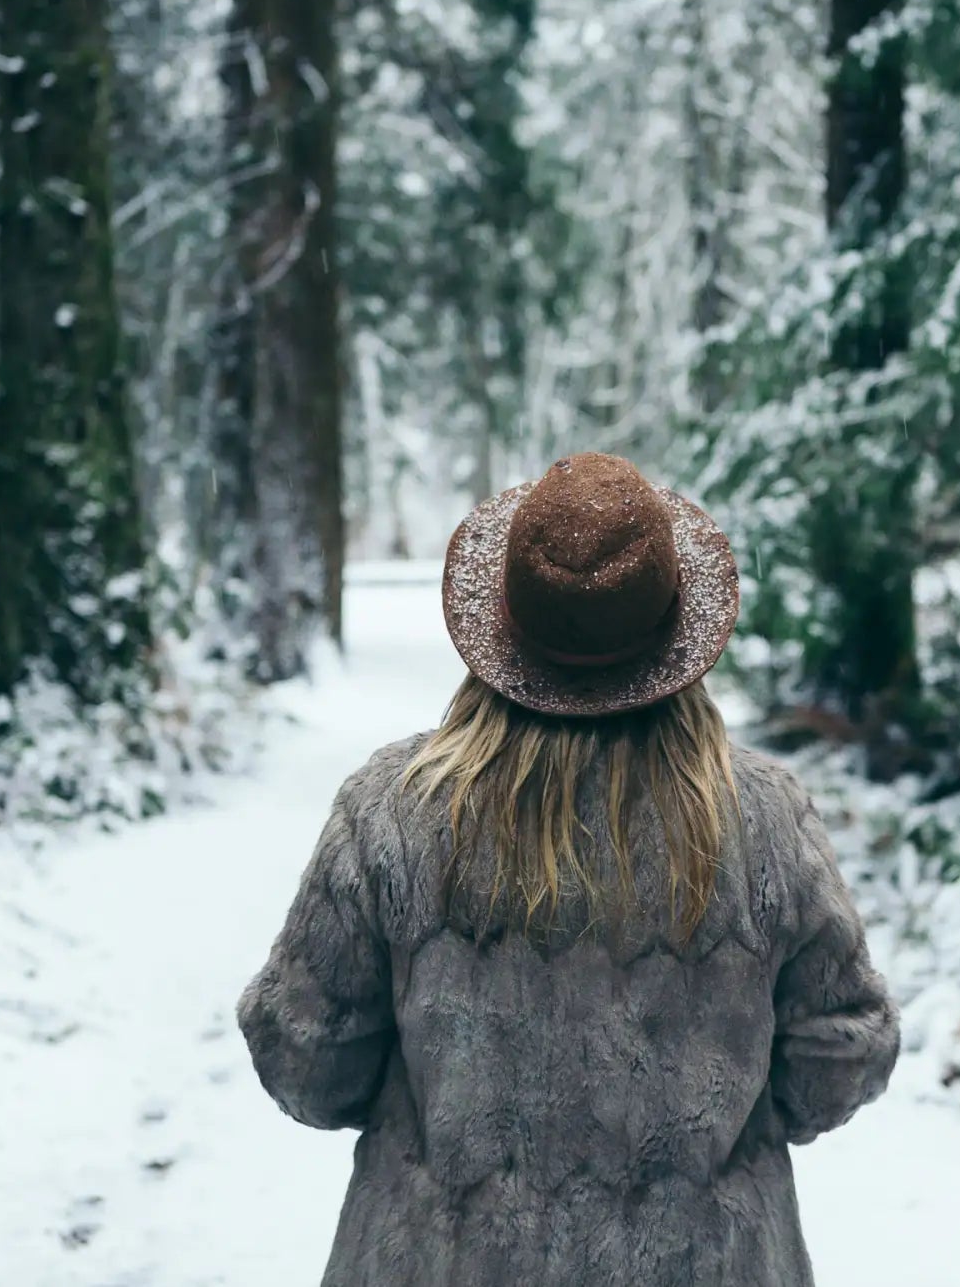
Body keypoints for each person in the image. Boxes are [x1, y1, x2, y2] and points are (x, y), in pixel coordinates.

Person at [239, 452, 900, 1286]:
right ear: (675, 636)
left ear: (504, 632)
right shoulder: (764, 819)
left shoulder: (391, 813)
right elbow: (838, 1057)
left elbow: (308, 1057)